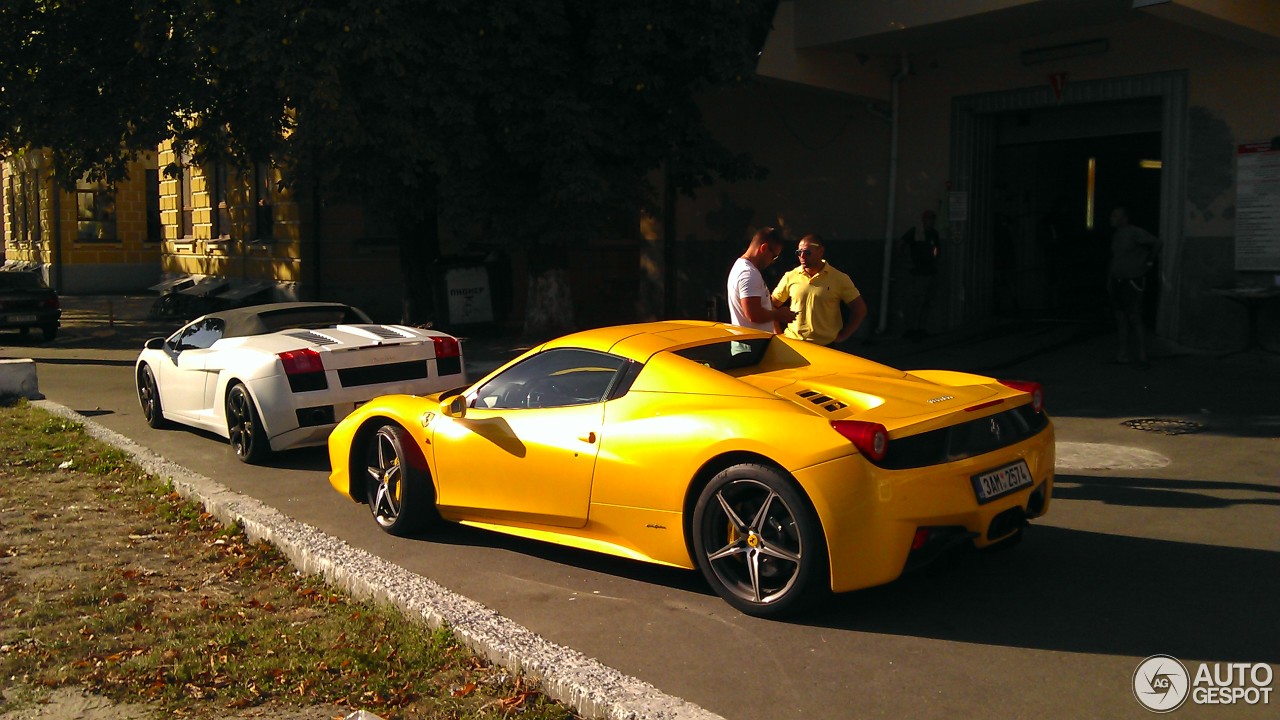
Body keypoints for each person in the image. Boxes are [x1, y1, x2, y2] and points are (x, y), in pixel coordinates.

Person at [771, 234, 867, 346]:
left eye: (807, 253)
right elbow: (772, 305)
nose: (802, 256)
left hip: (826, 346)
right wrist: (777, 334)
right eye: (798, 252)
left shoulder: (839, 278)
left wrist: (843, 336)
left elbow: (860, 309)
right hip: (794, 343)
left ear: (820, 251)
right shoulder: (790, 276)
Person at [1107, 206, 1161, 367]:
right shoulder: (1117, 235)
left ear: (1124, 219)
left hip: (1133, 280)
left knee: (1135, 317)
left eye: (1115, 215)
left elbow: (1157, 243)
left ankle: (1142, 355)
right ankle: (1122, 354)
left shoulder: (1135, 232)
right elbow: (1115, 258)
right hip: (1118, 280)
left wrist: (1149, 262)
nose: (1111, 217)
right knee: (1120, 318)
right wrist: (1109, 279)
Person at [727, 226, 795, 332]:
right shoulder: (748, 273)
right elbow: (753, 315)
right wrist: (778, 315)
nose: (772, 261)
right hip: (751, 344)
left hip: (749, 342)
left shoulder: (742, 268)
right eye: (774, 256)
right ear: (763, 248)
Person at [900, 209, 941, 339]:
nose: (930, 221)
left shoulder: (933, 234)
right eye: (928, 219)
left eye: (932, 219)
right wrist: (908, 262)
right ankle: (912, 328)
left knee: (925, 301)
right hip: (918, 272)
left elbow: (936, 250)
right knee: (916, 300)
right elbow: (901, 246)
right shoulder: (915, 232)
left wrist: (934, 259)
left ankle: (920, 328)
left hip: (928, 271)